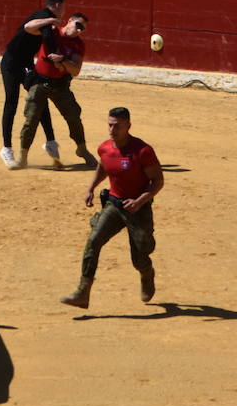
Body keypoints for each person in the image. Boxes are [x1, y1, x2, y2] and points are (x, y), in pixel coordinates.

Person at [60, 106, 165, 309]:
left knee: (140, 255)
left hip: (138, 209)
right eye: (109, 125)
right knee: (93, 241)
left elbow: (158, 181)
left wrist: (139, 201)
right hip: (114, 205)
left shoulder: (142, 151)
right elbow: (104, 165)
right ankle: (83, 292)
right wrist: (91, 188)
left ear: (128, 126)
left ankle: (147, 274)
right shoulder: (105, 148)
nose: (112, 130)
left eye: (117, 126)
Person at [19, 11, 98, 170]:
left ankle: (81, 149)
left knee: (74, 115)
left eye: (82, 29)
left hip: (60, 86)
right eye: (78, 25)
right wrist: (49, 20)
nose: (79, 31)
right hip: (40, 82)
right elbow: (27, 27)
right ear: (69, 21)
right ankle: (23, 156)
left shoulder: (79, 44)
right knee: (31, 118)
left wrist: (62, 60)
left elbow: (75, 70)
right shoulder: (51, 32)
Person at [0, 0, 66, 169]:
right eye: (63, 8)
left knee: (39, 97)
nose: (63, 12)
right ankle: (6, 148)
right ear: (58, 5)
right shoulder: (44, 15)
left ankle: (50, 142)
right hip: (11, 63)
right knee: (11, 102)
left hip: (27, 64)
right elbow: (29, 26)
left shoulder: (50, 23)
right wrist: (51, 21)